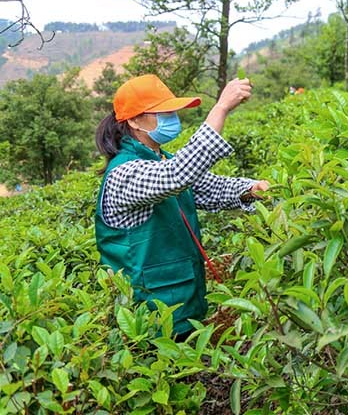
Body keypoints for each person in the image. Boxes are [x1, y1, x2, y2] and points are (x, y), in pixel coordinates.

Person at [94, 74, 269, 339]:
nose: (171, 117)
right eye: (162, 112)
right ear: (134, 120)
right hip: (150, 312)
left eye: (172, 111)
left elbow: (211, 189)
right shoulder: (125, 173)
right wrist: (220, 108)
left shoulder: (160, 159)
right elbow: (177, 176)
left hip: (183, 298)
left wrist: (252, 190)